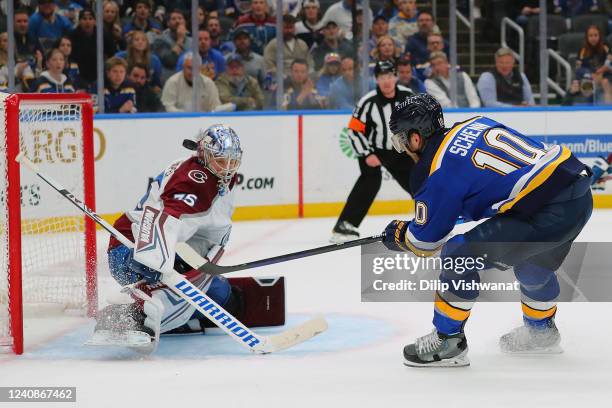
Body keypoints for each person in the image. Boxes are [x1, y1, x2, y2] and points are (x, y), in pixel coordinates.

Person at [382, 93, 592, 367]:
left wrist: (401, 235)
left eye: (401, 141)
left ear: (416, 137)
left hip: (545, 212)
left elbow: (423, 244)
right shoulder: (475, 123)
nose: (404, 149)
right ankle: (541, 333)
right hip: (577, 197)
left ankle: (448, 341)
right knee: (533, 267)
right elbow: (496, 185)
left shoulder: (435, 171)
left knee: (458, 255)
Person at [95, 125, 245, 350]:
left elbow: (197, 223)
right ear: (204, 154)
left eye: (233, 162)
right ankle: (125, 315)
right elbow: (165, 218)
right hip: (129, 254)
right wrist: (151, 258)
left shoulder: (214, 175)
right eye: (222, 161)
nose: (228, 168)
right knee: (158, 307)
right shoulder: (194, 180)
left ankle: (173, 317)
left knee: (226, 299)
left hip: (166, 250)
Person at [330, 60, 415, 243]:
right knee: (370, 181)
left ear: (396, 77)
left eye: (390, 76)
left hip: (400, 150)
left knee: (418, 181)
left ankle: (432, 217)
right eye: (382, 77)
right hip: (374, 150)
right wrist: (367, 153)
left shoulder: (408, 97)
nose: (386, 81)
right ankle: (344, 224)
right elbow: (354, 130)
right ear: (376, 79)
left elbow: (417, 123)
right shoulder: (368, 102)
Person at [151, 9, 193, 82]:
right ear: (168, 23)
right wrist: (180, 39)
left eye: (180, 18)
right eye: (173, 19)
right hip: (169, 81)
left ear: (185, 22)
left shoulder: (193, 41)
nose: (177, 21)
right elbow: (170, 61)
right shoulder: (160, 40)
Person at [576, 25, 612, 103]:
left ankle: (608, 109)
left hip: (605, 75)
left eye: (596, 35)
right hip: (589, 76)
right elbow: (578, 69)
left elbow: (609, 63)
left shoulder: (606, 47)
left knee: (605, 82)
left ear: (599, 36)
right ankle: (589, 109)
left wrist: (604, 70)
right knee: (587, 84)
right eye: (590, 36)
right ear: (587, 37)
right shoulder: (582, 50)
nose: (593, 38)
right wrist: (590, 75)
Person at [69, 8, 98, 89]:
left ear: (95, 21)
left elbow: (111, 52)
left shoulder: (102, 34)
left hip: (98, 73)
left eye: (90, 19)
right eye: (84, 19)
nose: (87, 22)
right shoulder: (72, 36)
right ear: (79, 21)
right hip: (79, 74)